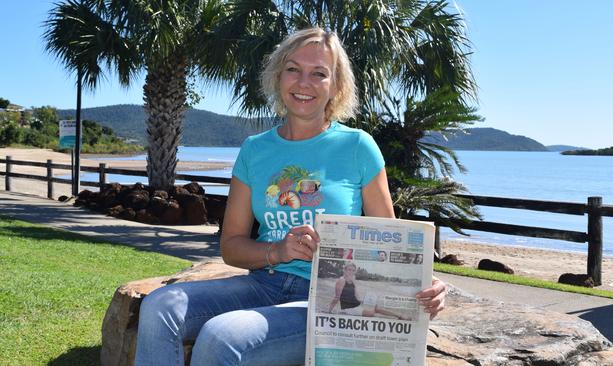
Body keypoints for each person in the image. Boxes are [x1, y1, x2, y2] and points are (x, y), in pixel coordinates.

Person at [134, 27, 446, 366]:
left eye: (319, 73)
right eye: (293, 69)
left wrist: (423, 284)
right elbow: (231, 247)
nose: (303, 83)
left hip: (325, 301)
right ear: (278, 76)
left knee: (221, 337)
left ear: (336, 86)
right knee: (160, 306)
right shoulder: (255, 150)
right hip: (263, 284)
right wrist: (278, 250)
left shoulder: (358, 147)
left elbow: (392, 245)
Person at [327, 262, 411, 320]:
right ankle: (394, 318)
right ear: (344, 270)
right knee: (371, 313)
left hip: (357, 305)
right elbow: (336, 297)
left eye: (353, 270)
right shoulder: (341, 280)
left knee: (376, 307)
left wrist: (364, 302)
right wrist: (329, 311)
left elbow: (355, 295)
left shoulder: (353, 279)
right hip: (349, 308)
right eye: (349, 269)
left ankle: (399, 316)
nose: (351, 272)